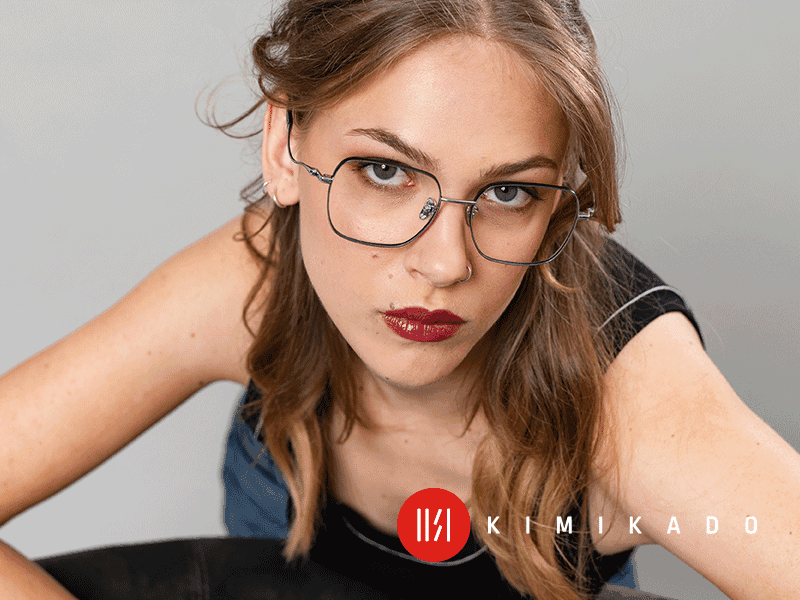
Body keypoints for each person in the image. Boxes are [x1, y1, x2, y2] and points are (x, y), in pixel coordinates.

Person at [0, 1, 798, 599]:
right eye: (385, 172)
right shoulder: (254, 280)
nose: (444, 264)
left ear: (559, 201)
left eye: (509, 191)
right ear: (285, 147)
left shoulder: (635, 405)